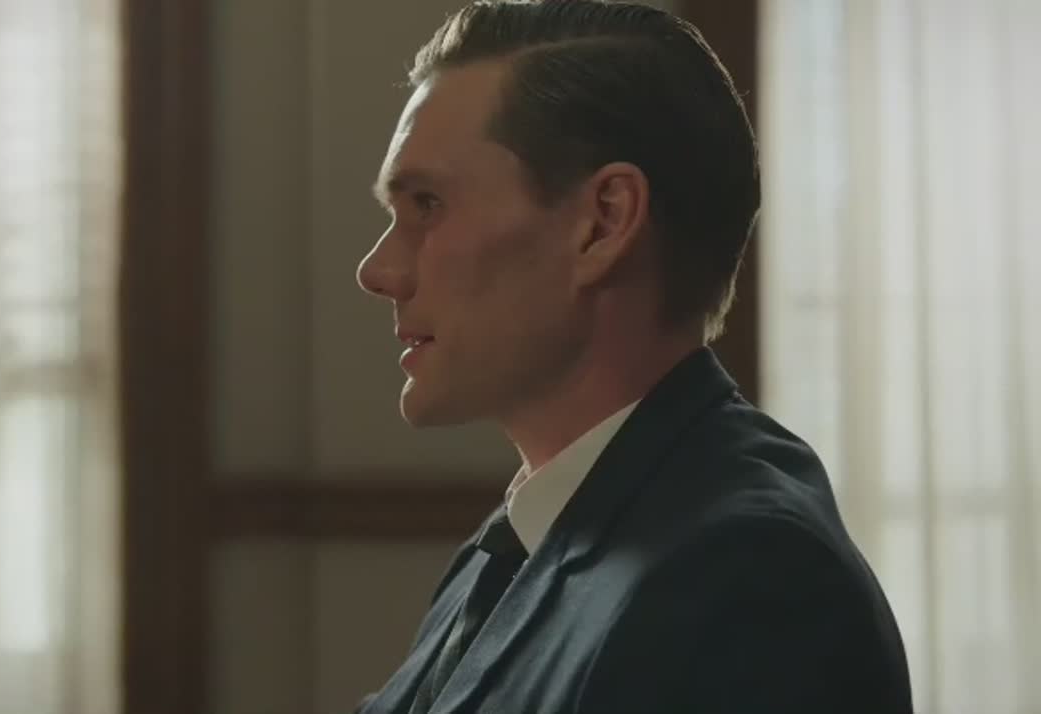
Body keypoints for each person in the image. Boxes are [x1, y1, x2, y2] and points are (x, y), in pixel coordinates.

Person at [352, 1, 913, 713]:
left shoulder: (746, 583)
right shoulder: (516, 547)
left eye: (428, 205)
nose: (377, 270)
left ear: (604, 222)